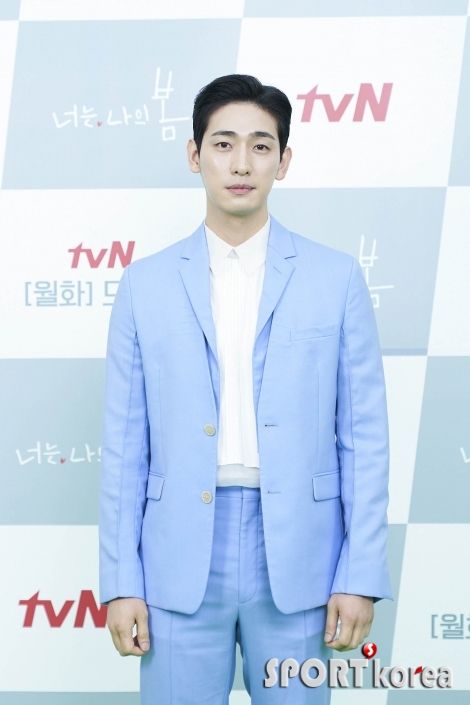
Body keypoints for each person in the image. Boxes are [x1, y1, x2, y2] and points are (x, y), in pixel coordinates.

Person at [99, 74, 393, 704]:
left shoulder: (335, 277)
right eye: (223, 143)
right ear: (194, 154)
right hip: (178, 555)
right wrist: (122, 581)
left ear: (283, 162)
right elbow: (124, 447)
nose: (241, 164)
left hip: (301, 554)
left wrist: (360, 573)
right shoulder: (144, 285)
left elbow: (363, 438)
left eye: (261, 146)